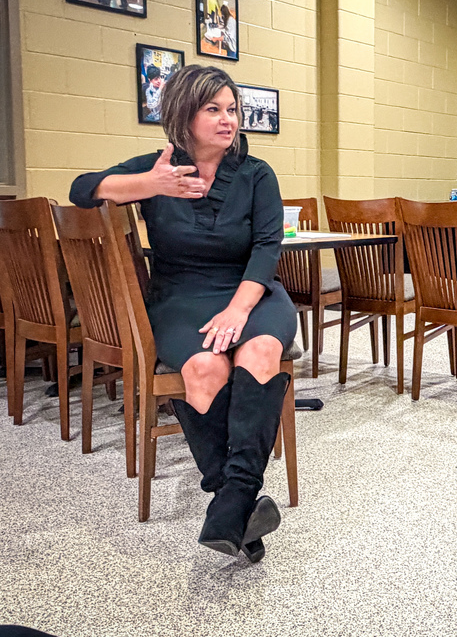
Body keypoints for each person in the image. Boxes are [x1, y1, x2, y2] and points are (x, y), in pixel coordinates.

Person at [70, 65, 297, 563]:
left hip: (252, 292)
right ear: (183, 114)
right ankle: (235, 503)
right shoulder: (159, 167)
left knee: (259, 350)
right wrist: (146, 184)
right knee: (202, 368)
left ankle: (230, 501)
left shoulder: (257, 174)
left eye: (232, 109)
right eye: (212, 109)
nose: (227, 119)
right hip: (181, 296)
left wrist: (240, 310)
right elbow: (81, 188)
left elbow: (266, 247)